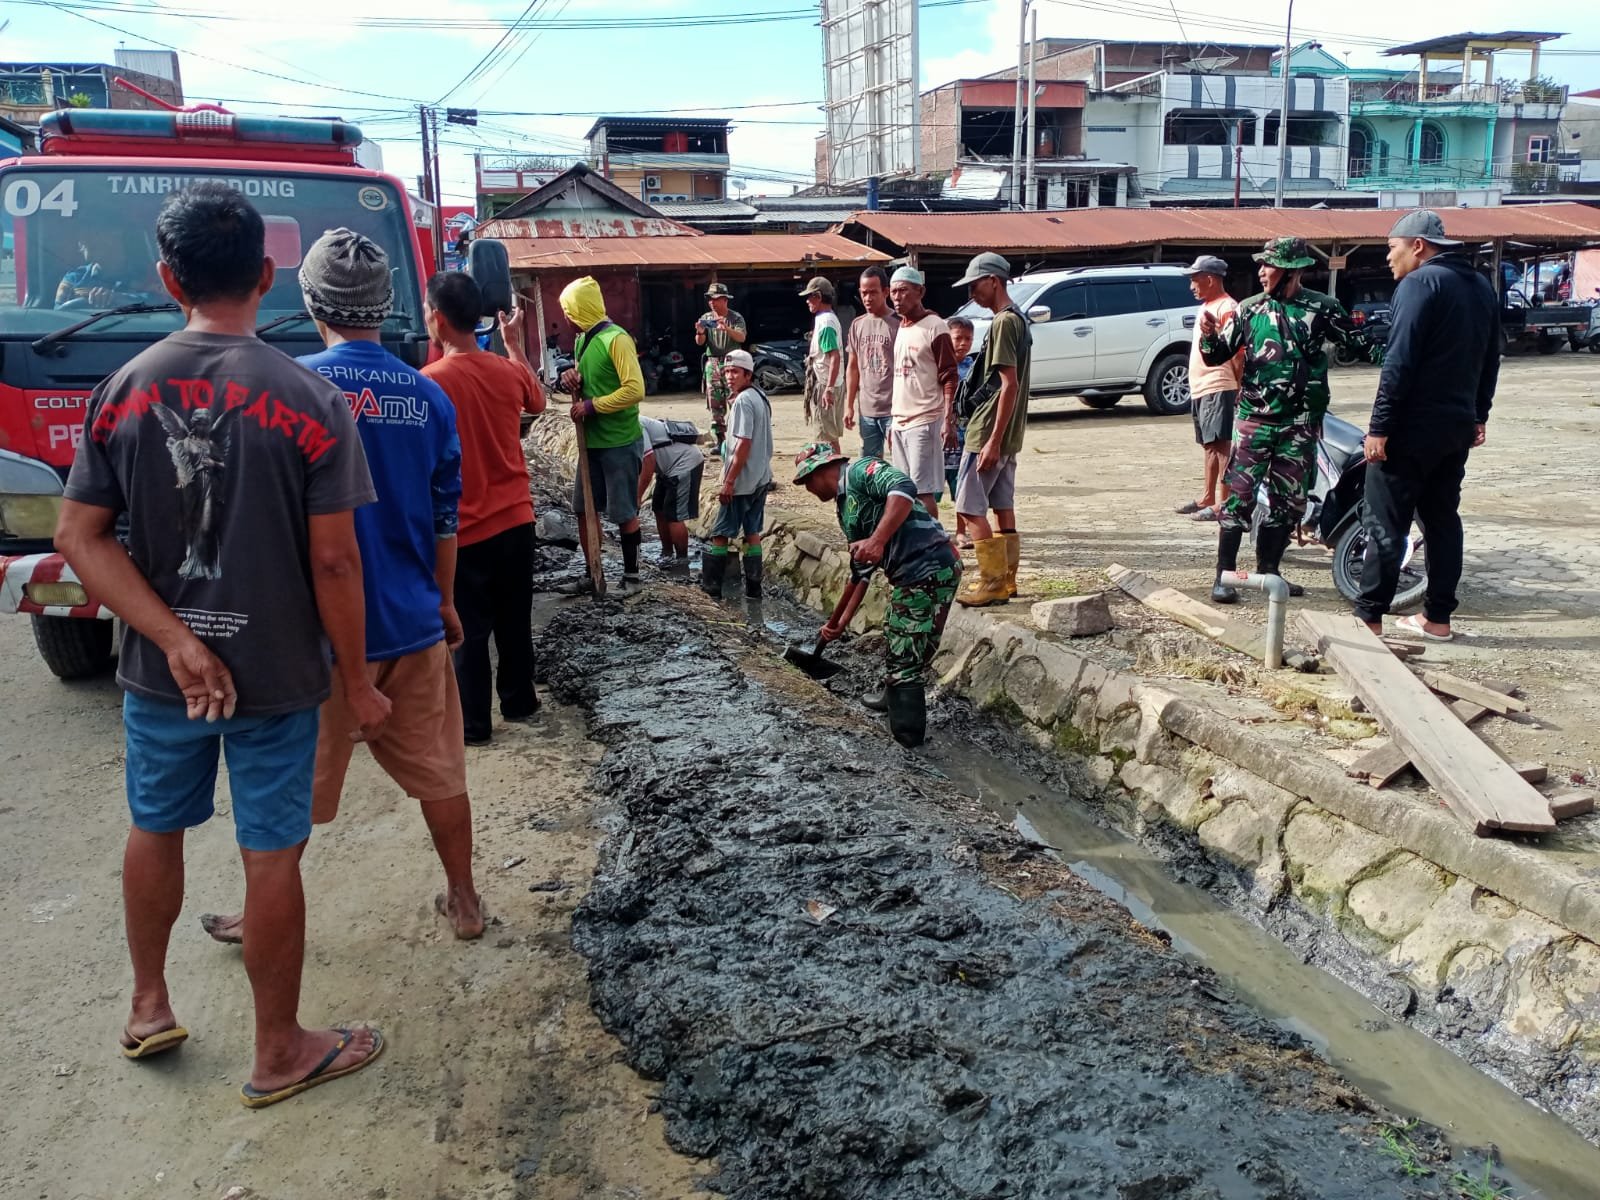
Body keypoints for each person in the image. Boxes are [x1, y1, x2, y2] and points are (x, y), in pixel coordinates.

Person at [53, 184, 387, 1107]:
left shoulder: (123, 389)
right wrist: (358, 681)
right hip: (277, 675)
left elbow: (79, 537)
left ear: (169, 280)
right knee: (269, 854)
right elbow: (335, 564)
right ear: (267, 276)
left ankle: (148, 1006)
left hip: (163, 677)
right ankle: (278, 1052)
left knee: (154, 826)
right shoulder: (311, 397)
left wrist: (174, 640)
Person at [198, 229, 483, 947]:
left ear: (310, 301)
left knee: (289, 790)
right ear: (388, 304)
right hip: (412, 621)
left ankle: (256, 914)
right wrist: (445, 600)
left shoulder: (286, 389)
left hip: (315, 637)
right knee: (441, 772)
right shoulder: (428, 395)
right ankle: (465, 899)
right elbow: (445, 516)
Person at [1198, 237, 1379, 604]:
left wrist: (1405, 357)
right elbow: (1217, 355)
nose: (1262, 272)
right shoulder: (1249, 309)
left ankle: (1269, 574)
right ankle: (1224, 577)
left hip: (1299, 425)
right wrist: (1208, 337)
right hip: (1254, 421)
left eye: (1270, 266)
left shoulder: (1323, 308)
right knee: (1238, 500)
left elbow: (1362, 347)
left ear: (1291, 272)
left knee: (1289, 503)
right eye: (1262, 265)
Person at [1354, 210, 1498, 641]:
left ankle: (1369, 620)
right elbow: (1490, 356)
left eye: (1391, 248)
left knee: (1384, 521)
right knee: (1441, 520)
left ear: (1418, 245)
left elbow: (1399, 362)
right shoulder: (1480, 285)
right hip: (1454, 428)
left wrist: (1379, 427)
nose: (1388, 258)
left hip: (1410, 429)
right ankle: (1437, 618)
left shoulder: (1419, 284)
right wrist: (1479, 414)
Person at [422, 272, 546, 744]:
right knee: (514, 617)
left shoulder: (428, 384)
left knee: (468, 629)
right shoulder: (507, 371)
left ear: (437, 318)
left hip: (463, 529)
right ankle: (519, 701)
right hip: (516, 519)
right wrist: (513, 344)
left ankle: (474, 723)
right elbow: (538, 400)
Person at [794, 443, 961, 748]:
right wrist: (838, 623)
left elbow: (904, 488)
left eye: (807, 482)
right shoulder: (846, 511)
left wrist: (878, 540)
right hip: (926, 572)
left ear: (819, 472)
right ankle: (892, 695)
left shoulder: (860, 472)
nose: (808, 490)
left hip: (926, 568)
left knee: (905, 651)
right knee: (912, 642)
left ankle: (907, 741)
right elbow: (860, 572)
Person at [950, 252, 1031, 607]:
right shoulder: (1019, 318)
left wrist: (992, 440)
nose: (972, 294)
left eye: (975, 286)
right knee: (1002, 505)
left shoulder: (1002, 323)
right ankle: (1008, 580)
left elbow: (1008, 384)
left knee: (969, 507)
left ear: (993, 281)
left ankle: (992, 582)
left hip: (988, 430)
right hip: (1009, 431)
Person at [558, 275, 647, 589]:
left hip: (619, 441)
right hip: (591, 443)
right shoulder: (583, 340)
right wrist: (570, 377)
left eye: (568, 311)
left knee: (624, 511)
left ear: (580, 310)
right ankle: (592, 572)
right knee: (584, 509)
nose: (566, 318)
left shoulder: (616, 340)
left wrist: (592, 406)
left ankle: (632, 576)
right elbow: (585, 378)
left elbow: (634, 390)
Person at [888, 265, 959, 524]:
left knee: (923, 490)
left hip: (925, 419)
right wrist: (892, 422)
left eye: (903, 291)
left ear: (920, 292)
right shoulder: (901, 327)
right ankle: (915, 537)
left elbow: (949, 375)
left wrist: (948, 419)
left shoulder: (935, 326)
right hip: (900, 421)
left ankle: (932, 540)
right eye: (893, 292)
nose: (897, 297)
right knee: (903, 489)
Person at [702, 348, 773, 599]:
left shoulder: (743, 401)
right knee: (752, 533)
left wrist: (729, 481)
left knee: (721, 533)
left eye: (735, 372)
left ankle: (712, 591)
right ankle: (754, 590)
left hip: (742, 481)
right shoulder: (760, 396)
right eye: (727, 372)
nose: (730, 377)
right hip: (761, 476)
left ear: (748, 374)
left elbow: (743, 443)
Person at [1177, 255, 1242, 523]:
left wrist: (1238, 385)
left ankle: (1224, 503)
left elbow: (1238, 351)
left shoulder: (1228, 307)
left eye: (1195, 280)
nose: (1191, 286)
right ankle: (1207, 497)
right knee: (1209, 444)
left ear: (1210, 279)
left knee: (1221, 445)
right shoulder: (1206, 306)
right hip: (1202, 387)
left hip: (1219, 384)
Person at [637, 413, 705, 571]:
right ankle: (667, 553)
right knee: (659, 509)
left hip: (684, 463)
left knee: (674, 515)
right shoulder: (632, 423)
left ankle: (682, 560)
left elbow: (648, 463)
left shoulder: (637, 425)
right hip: (666, 469)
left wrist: (638, 496)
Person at [845, 265, 895, 460]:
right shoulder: (857, 325)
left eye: (873, 292)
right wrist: (849, 405)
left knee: (901, 462)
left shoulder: (899, 323)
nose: (868, 298)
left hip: (894, 409)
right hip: (867, 410)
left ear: (886, 292)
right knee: (869, 465)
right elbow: (853, 367)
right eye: (864, 293)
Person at [693, 282, 746, 453]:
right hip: (713, 361)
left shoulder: (735, 318)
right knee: (715, 402)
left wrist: (726, 328)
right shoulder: (707, 318)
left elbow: (742, 337)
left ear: (725, 300)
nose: (712, 302)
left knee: (735, 400)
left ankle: (738, 438)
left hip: (732, 362)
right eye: (710, 299)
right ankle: (720, 440)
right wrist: (700, 331)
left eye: (715, 299)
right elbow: (700, 342)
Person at [800, 276, 845, 454]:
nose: (807, 301)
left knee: (825, 438)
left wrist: (829, 388)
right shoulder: (827, 318)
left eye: (810, 296)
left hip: (825, 383)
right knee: (829, 436)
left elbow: (834, 356)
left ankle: (834, 469)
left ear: (818, 296)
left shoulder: (825, 322)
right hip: (830, 382)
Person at [945, 316, 977, 549]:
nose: (963, 343)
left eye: (968, 339)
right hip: (939, 437)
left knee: (961, 486)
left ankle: (961, 531)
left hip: (964, 437)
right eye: (958, 338)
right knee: (932, 489)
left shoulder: (973, 369)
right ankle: (932, 531)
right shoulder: (937, 365)